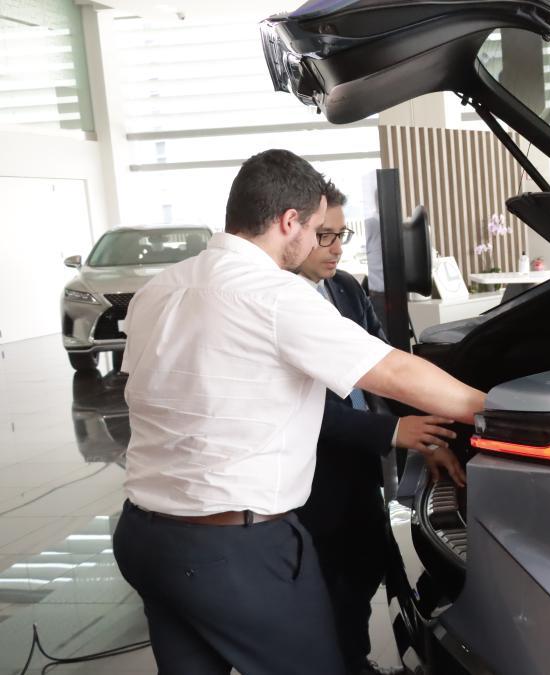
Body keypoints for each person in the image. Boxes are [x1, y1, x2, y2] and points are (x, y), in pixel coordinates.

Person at [112, 149, 486, 675]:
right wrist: (497, 410)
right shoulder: (274, 295)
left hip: (144, 537)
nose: (316, 243)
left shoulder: (159, 289)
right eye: (315, 229)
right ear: (289, 221)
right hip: (233, 550)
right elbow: (394, 372)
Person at [293, 181, 464, 675]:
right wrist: (394, 434)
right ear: (294, 227)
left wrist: (421, 438)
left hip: (362, 473)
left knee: (361, 578)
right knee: (320, 596)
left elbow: (384, 370)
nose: (336, 248)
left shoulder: (344, 287)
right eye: (324, 236)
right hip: (309, 485)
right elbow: (302, 412)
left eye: (341, 234)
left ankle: (355, 661)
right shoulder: (277, 302)